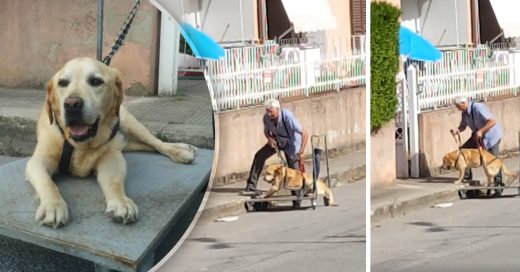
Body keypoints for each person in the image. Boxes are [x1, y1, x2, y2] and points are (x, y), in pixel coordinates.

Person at [243, 98, 308, 200]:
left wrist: (301, 151)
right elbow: (266, 131)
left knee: (294, 169)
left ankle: (299, 193)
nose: (269, 114)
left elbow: (304, 133)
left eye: (271, 111)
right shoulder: (266, 118)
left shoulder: (288, 116)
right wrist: (269, 139)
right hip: (277, 140)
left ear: (277, 109)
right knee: (259, 156)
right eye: (267, 111)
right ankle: (251, 186)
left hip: (291, 142)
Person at [451, 96, 503, 185]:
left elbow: (492, 121)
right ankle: (466, 177)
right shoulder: (464, 113)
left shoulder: (477, 107)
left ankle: (498, 184)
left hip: (491, 136)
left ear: (463, 103)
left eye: (458, 106)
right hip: (478, 136)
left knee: (493, 160)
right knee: (463, 151)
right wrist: (456, 130)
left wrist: (481, 131)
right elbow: (462, 126)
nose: (457, 108)